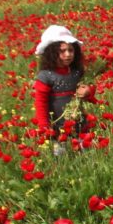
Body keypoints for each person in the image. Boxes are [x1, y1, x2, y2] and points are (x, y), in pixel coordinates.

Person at [32, 23, 93, 154]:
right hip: (57, 125)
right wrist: (44, 127)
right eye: (62, 51)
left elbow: (89, 96)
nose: (68, 54)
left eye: (71, 50)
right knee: (60, 156)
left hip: (79, 122)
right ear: (52, 53)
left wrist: (88, 92)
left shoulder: (77, 72)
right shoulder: (45, 75)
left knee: (86, 153)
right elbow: (40, 102)